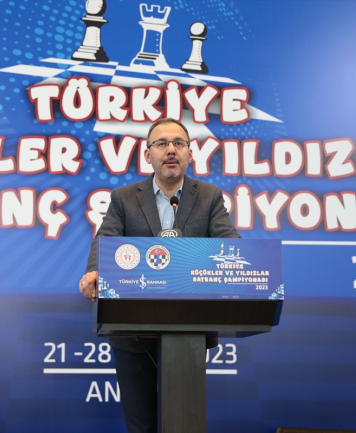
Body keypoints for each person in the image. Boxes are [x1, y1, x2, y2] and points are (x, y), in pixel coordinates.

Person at [78, 118, 240, 433]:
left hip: (189, 327)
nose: (171, 150)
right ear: (148, 154)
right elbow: (105, 239)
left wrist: (242, 261)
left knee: (183, 422)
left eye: (178, 143)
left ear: (190, 153)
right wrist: (94, 271)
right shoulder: (124, 198)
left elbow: (229, 242)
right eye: (161, 143)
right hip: (131, 328)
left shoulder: (209, 197)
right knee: (141, 425)